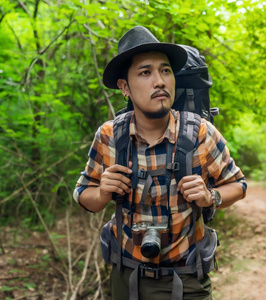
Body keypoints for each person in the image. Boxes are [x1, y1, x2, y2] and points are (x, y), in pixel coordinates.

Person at [73, 26, 246, 300]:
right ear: (124, 87)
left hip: (188, 280)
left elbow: (238, 185)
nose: (160, 81)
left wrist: (210, 196)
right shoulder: (109, 136)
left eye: (165, 71)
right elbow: (84, 196)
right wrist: (103, 192)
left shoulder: (200, 133)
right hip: (126, 277)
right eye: (145, 72)